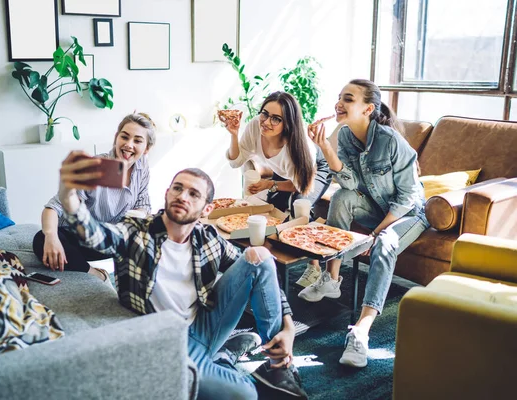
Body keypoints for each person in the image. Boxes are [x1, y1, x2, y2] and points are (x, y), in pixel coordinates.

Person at [56, 159, 308, 400]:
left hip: (203, 325)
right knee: (246, 394)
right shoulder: (136, 232)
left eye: (193, 194)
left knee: (260, 256)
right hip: (167, 341)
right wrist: (68, 194)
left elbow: (259, 271)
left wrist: (288, 328)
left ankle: (279, 366)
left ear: (207, 209)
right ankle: (222, 358)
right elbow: (94, 234)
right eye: (178, 188)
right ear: (167, 193)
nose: (182, 196)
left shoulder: (207, 237)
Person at [299, 79, 430, 368]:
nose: (339, 103)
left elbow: (408, 197)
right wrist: (324, 145)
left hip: (410, 213)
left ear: (368, 108)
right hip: (376, 206)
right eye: (339, 97)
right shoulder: (344, 136)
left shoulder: (390, 140)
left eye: (348, 98)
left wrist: (376, 232)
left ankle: (361, 331)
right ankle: (331, 279)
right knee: (342, 198)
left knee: (385, 243)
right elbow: (351, 183)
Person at [32, 112, 156, 286]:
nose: (129, 145)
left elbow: (144, 204)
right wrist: (51, 237)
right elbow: (53, 208)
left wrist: (138, 217)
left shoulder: (142, 167)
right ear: (116, 138)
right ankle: (92, 272)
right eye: (125, 137)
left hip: (110, 238)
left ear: (146, 149)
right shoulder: (96, 167)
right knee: (40, 238)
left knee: (152, 235)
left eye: (137, 140)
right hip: (79, 238)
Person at [223, 91, 331, 288]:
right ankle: (264, 263)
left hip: (313, 170)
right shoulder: (256, 126)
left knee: (299, 208)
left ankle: (315, 267)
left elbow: (302, 186)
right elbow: (236, 161)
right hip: (286, 172)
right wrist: (234, 135)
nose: (266, 122)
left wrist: (270, 184)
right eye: (265, 113)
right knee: (274, 212)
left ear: (288, 124)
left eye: (276, 119)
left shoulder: (300, 146)